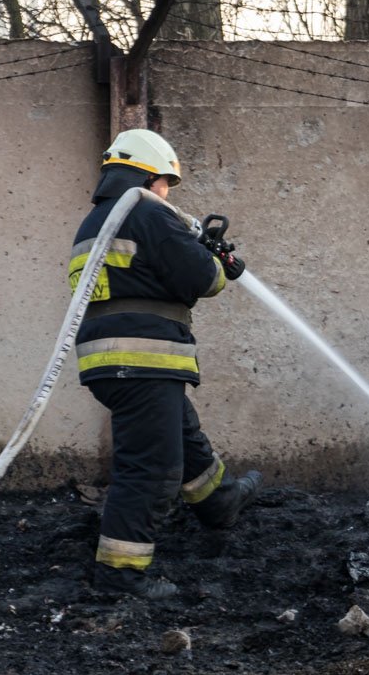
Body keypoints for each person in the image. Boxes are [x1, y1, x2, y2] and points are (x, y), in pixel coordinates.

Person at [68, 129, 262, 600]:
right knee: (151, 470)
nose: (167, 192)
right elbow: (203, 279)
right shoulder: (148, 213)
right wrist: (211, 258)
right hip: (142, 358)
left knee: (180, 437)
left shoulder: (95, 222)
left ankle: (220, 501)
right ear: (148, 177)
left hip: (112, 360)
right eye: (165, 183)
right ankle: (121, 576)